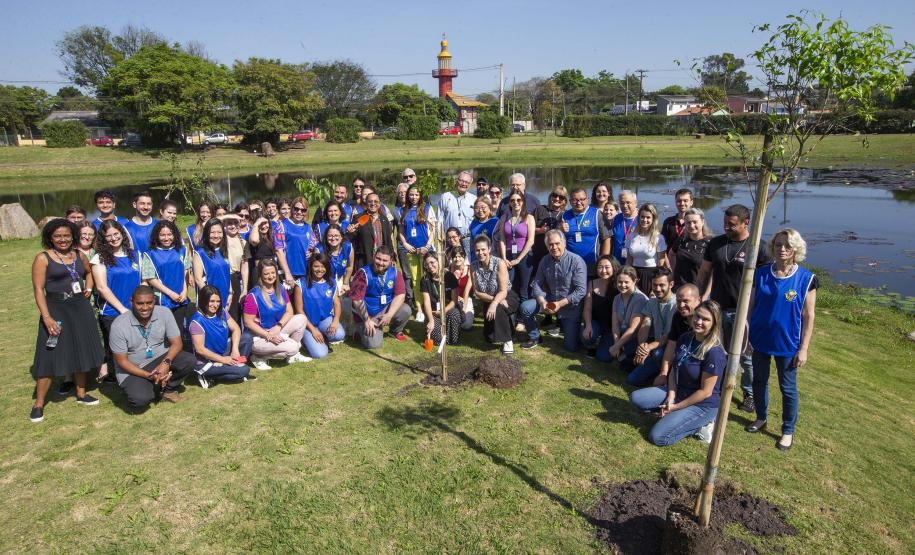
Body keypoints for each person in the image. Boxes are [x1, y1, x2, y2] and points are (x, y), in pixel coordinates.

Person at [746, 229, 818, 451]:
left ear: (796, 248)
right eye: (778, 244)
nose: (782, 249)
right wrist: (746, 336)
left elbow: (809, 316)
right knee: (759, 380)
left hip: (787, 344)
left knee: (787, 388)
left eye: (787, 245)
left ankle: (787, 430)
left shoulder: (807, 279)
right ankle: (761, 417)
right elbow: (750, 307)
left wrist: (803, 349)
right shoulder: (760, 273)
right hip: (759, 340)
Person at [697, 204, 771, 413]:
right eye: (725, 224)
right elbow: (704, 272)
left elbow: (766, 282)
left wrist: (756, 311)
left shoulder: (759, 248)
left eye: (732, 225)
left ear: (746, 223)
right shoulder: (716, 244)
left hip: (745, 312)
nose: (727, 228)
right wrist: (699, 296)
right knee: (717, 350)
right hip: (719, 308)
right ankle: (718, 386)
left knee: (746, 357)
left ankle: (750, 394)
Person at [29, 219, 104, 422]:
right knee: (49, 354)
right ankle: (38, 404)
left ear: (73, 236)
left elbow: (88, 272)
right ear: (50, 238)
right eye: (58, 236)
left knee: (80, 349)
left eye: (66, 235)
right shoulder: (43, 258)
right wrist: (46, 317)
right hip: (55, 309)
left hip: (79, 307)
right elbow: (38, 290)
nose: (63, 240)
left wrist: (88, 288)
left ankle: (81, 393)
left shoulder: (79, 255)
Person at [629, 300, 726, 446]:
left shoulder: (715, 352)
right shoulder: (686, 337)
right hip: (679, 392)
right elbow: (675, 368)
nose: (699, 321)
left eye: (705, 319)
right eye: (697, 316)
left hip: (701, 404)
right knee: (636, 398)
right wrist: (671, 396)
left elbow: (705, 392)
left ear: (714, 323)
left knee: (658, 437)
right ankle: (672, 413)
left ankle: (700, 426)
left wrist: (675, 407)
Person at [109, 285, 197, 409]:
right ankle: (155, 386)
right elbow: (122, 362)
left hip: (159, 358)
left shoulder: (164, 312)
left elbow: (177, 343)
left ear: (154, 301)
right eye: (140, 303)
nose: (145, 308)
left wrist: (166, 363)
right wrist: (148, 375)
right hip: (133, 368)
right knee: (140, 400)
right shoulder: (119, 325)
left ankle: (169, 390)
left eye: (149, 303)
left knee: (189, 360)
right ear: (131, 302)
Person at [518, 230, 587, 351]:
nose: (554, 247)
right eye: (550, 244)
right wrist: (542, 302)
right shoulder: (545, 260)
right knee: (525, 307)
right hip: (551, 300)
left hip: (569, 306)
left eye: (557, 243)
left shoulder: (576, 261)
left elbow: (581, 290)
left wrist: (559, 304)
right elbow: (537, 284)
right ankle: (535, 337)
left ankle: (580, 331)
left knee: (571, 347)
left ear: (564, 243)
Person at [91, 220, 142, 382]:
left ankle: (138, 375)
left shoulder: (135, 255)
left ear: (122, 233)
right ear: (103, 239)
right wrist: (122, 309)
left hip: (136, 310)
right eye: (109, 236)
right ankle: (121, 379)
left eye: (116, 234)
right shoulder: (99, 259)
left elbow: (142, 282)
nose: (113, 238)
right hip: (113, 312)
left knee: (136, 345)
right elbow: (102, 288)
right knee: (119, 349)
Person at [243, 259, 311, 369]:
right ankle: (257, 356)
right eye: (266, 274)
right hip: (259, 337)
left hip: (276, 329)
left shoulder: (280, 289)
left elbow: (290, 312)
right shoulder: (253, 296)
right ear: (260, 275)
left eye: (273, 273)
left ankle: (290, 354)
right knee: (294, 347)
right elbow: (248, 323)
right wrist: (268, 335)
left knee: (301, 318)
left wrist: (278, 327)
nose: (270, 276)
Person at [187, 285, 253, 387]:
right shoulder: (197, 321)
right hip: (206, 362)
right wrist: (224, 360)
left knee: (247, 337)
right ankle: (209, 376)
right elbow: (200, 350)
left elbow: (236, 329)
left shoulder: (222, 312)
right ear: (203, 301)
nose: (215, 305)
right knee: (244, 370)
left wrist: (235, 350)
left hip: (221, 352)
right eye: (211, 301)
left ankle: (234, 365)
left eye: (218, 301)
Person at [349, 245, 412, 348]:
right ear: (374, 256)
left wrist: (389, 315)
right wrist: (366, 320)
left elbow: (400, 295)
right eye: (378, 258)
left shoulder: (395, 273)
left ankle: (394, 331)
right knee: (373, 344)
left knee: (406, 310)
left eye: (385, 260)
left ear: (391, 261)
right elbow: (357, 300)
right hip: (366, 314)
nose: (381, 263)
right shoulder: (363, 273)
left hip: (385, 309)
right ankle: (359, 332)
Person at [142, 220, 192, 341]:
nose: (166, 238)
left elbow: (186, 271)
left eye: (169, 234)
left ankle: (178, 356)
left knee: (178, 330)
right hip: (162, 300)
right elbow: (150, 278)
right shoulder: (150, 254)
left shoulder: (182, 250)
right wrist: (170, 293)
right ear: (157, 236)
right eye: (162, 235)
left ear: (174, 235)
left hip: (181, 298)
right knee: (163, 332)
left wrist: (184, 291)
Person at [627, 268, 677, 385]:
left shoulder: (675, 305)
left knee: (657, 354)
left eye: (661, 285)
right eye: (655, 285)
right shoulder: (652, 301)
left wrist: (648, 348)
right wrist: (642, 347)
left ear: (671, 284)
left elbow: (667, 335)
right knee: (630, 370)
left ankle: (665, 375)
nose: (658, 289)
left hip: (669, 347)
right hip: (655, 344)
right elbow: (645, 324)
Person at [471, 235, 519, 354]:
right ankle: (508, 328)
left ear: (489, 249)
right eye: (477, 250)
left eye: (483, 249)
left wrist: (495, 304)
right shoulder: (473, 266)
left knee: (499, 308)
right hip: (490, 298)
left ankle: (508, 341)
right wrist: (494, 301)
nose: (480, 253)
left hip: (507, 295)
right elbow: (477, 292)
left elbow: (503, 291)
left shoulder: (500, 263)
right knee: (489, 337)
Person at [295, 254, 345, 359]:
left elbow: (337, 304)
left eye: (323, 266)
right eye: (316, 266)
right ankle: (305, 342)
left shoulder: (331, 283)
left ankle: (323, 337)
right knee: (320, 354)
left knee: (339, 334)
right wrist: (313, 330)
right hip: (307, 324)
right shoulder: (300, 284)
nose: (320, 269)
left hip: (324, 320)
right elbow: (299, 310)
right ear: (310, 267)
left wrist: (335, 321)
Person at [399, 186, 437, 321]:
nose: (413, 197)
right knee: (415, 280)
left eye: (416, 195)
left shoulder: (427, 208)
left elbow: (433, 230)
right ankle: (419, 309)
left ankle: (432, 307)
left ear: (420, 195)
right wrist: (406, 245)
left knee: (428, 279)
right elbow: (401, 232)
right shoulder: (405, 210)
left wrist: (427, 246)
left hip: (426, 251)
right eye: (411, 195)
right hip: (412, 252)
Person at [495, 191, 537, 304]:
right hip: (508, 256)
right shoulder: (504, 217)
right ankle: (511, 316)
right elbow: (502, 239)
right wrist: (504, 258)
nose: (516, 203)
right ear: (509, 202)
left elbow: (531, 240)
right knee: (508, 287)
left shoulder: (529, 218)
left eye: (518, 200)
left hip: (524, 256)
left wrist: (519, 259)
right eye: (513, 200)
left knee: (523, 289)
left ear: (523, 202)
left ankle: (524, 318)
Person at [561, 187, 612, 276]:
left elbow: (607, 238)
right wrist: (560, 230)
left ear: (587, 199)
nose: (579, 202)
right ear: (570, 201)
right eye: (575, 200)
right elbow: (558, 239)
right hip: (570, 264)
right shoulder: (564, 215)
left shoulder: (597, 214)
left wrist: (603, 261)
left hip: (592, 264)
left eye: (582, 199)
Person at [607, 266, 649, 368]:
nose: (622, 285)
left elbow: (633, 328)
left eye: (626, 282)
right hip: (621, 335)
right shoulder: (617, 298)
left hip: (635, 339)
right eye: (620, 282)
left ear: (634, 281)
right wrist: (617, 344)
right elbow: (615, 323)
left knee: (623, 365)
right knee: (603, 356)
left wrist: (617, 346)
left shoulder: (640, 299)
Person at [420, 251, 463, 345]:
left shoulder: (449, 276)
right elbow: (426, 302)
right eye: (427, 264)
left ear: (438, 261)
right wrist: (431, 320)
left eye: (432, 262)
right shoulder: (425, 280)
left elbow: (454, 300)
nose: (430, 266)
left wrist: (443, 311)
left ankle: (451, 335)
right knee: (437, 340)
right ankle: (439, 331)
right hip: (433, 312)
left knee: (454, 315)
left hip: (448, 309)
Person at [582, 255, 620, 359]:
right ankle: (592, 343)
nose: (603, 271)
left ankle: (604, 342)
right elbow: (587, 307)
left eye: (607, 267)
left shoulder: (619, 285)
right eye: (600, 267)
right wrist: (588, 325)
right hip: (596, 322)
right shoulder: (592, 283)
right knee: (587, 336)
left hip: (612, 327)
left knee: (604, 358)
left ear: (614, 267)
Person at [626, 203, 668, 293]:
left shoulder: (659, 238)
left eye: (648, 217)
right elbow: (629, 260)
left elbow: (661, 263)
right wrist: (627, 276)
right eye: (642, 217)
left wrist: (657, 282)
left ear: (653, 219)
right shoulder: (631, 236)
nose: (645, 220)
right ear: (639, 217)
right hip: (634, 273)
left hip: (651, 275)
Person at [244, 216, 290, 293]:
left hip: (272, 272)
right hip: (260, 273)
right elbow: (254, 240)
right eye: (261, 224)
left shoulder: (270, 237)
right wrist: (256, 224)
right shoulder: (255, 236)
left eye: (266, 223)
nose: (264, 226)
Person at [193, 219, 232, 308]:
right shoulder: (200, 253)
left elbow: (227, 273)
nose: (216, 236)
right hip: (209, 301)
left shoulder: (224, 251)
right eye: (212, 232)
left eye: (219, 232)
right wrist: (212, 300)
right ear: (206, 233)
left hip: (225, 296)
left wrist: (230, 293)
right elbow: (199, 280)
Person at [670, 207, 713, 288]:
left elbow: (712, 273)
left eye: (695, 222)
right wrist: (673, 272)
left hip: (697, 290)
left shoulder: (710, 243)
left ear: (702, 222)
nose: (691, 225)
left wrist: (705, 294)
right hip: (678, 287)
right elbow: (671, 254)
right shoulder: (682, 240)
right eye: (688, 223)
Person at [352, 192, 394, 269]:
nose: (373, 204)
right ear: (366, 203)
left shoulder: (384, 219)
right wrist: (350, 232)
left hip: (381, 261)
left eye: (376, 201)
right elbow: (353, 239)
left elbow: (388, 241)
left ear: (380, 203)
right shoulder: (358, 218)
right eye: (370, 201)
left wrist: (392, 257)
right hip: (364, 261)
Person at [281, 196, 317, 285]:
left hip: (307, 272)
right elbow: (279, 251)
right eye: (296, 209)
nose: (299, 212)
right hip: (290, 274)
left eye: (303, 210)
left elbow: (314, 246)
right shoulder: (282, 225)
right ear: (292, 209)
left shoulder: (308, 227)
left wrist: (312, 252)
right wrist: (287, 273)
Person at [439, 170, 477, 253]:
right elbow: (440, 220)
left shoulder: (474, 199)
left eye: (467, 182)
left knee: (469, 263)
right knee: (451, 264)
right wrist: (440, 237)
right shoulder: (445, 197)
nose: (464, 184)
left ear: (470, 184)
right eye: (461, 181)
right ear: (456, 181)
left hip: (468, 239)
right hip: (451, 240)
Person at [532, 185, 568, 273]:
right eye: (555, 195)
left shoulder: (566, 214)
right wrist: (540, 230)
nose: (557, 199)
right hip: (538, 253)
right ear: (550, 196)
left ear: (565, 201)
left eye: (561, 197)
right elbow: (527, 231)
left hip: (557, 254)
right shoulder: (540, 209)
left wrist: (563, 231)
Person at [223, 216, 247, 322]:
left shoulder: (243, 242)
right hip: (229, 278)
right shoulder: (222, 239)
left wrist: (245, 288)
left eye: (235, 223)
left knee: (242, 310)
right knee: (232, 311)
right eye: (229, 223)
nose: (233, 226)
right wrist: (231, 216)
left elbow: (245, 265)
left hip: (240, 279)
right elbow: (212, 222)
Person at [448, 245, 475, 330]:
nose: (457, 259)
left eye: (460, 256)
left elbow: (467, 291)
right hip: (453, 298)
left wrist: (463, 310)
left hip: (466, 299)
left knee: (467, 325)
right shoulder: (449, 269)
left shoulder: (470, 269)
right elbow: (449, 289)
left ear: (464, 257)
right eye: (455, 257)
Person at [661, 188, 694, 254]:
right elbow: (662, 244)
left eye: (685, 201)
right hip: (669, 261)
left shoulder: (695, 223)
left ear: (691, 202)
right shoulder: (668, 222)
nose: (682, 203)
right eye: (679, 201)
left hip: (688, 261)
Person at [610, 190, 638, 264]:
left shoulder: (642, 219)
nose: (625, 206)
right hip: (617, 263)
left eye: (628, 202)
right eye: (622, 203)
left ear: (635, 203)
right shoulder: (616, 218)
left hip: (635, 264)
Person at [468, 198, 499, 263]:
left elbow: (499, 242)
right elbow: (471, 243)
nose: (480, 210)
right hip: (475, 259)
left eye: (483, 207)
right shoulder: (474, 222)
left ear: (489, 208)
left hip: (491, 259)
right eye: (477, 208)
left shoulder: (496, 222)